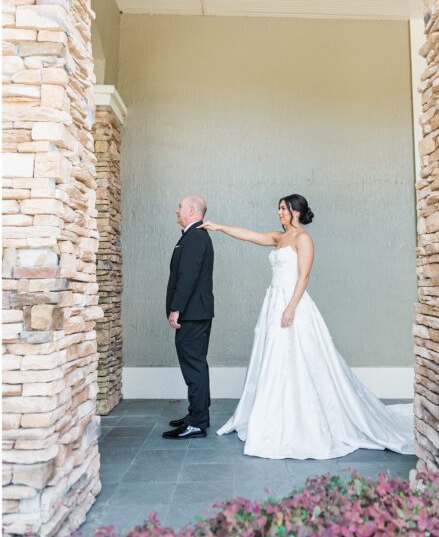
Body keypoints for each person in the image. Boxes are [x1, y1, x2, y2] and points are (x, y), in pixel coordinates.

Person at [203, 194, 414, 459]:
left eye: (283, 208)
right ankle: (275, 415)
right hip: (273, 302)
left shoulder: (303, 239)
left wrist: (291, 306)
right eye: (279, 208)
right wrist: (220, 227)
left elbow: (304, 275)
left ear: (296, 212)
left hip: (292, 303)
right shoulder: (280, 238)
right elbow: (250, 235)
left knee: (302, 357)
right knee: (275, 358)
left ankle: (304, 419)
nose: (279, 212)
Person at [163, 195, 215, 440]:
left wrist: (176, 309)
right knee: (196, 364)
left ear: (192, 210)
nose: (176, 211)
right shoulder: (193, 235)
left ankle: (197, 422)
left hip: (192, 313)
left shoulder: (195, 236)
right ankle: (197, 414)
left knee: (194, 366)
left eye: (180, 207)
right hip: (196, 312)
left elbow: (187, 277)